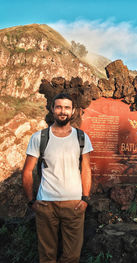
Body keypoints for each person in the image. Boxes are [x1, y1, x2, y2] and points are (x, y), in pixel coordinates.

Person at [22, 93, 93, 263]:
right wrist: (32, 201)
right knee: (47, 256)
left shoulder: (81, 138)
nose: (63, 111)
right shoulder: (39, 137)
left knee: (72, 256)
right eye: (59, 107)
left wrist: (85, 199)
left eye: (67, 107)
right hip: (46, 204)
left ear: (73, 111)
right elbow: (27, 171)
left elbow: (86, 170)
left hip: (74, 205)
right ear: (52, 109)